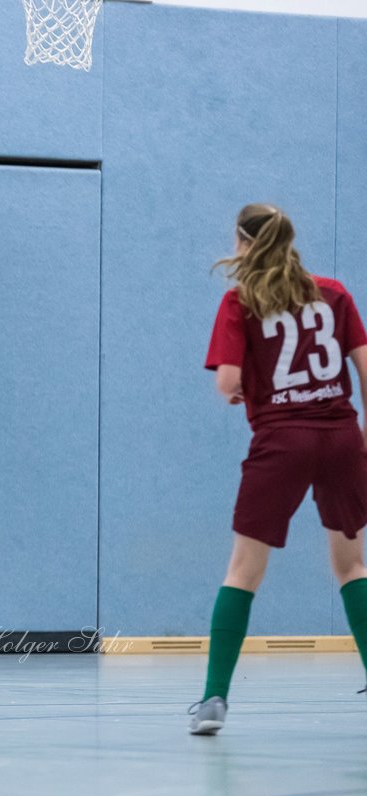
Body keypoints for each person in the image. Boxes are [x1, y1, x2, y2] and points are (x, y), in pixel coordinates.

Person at [193, 203, 367, 734]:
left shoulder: (241, 300)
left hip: (281, 441)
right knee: (353, 566)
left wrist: (245, 383)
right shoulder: (333, 293)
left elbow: (226, 382)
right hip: (340, 436)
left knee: (244, 571)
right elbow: (363, 366)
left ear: (243, 242)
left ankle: (213, 700)